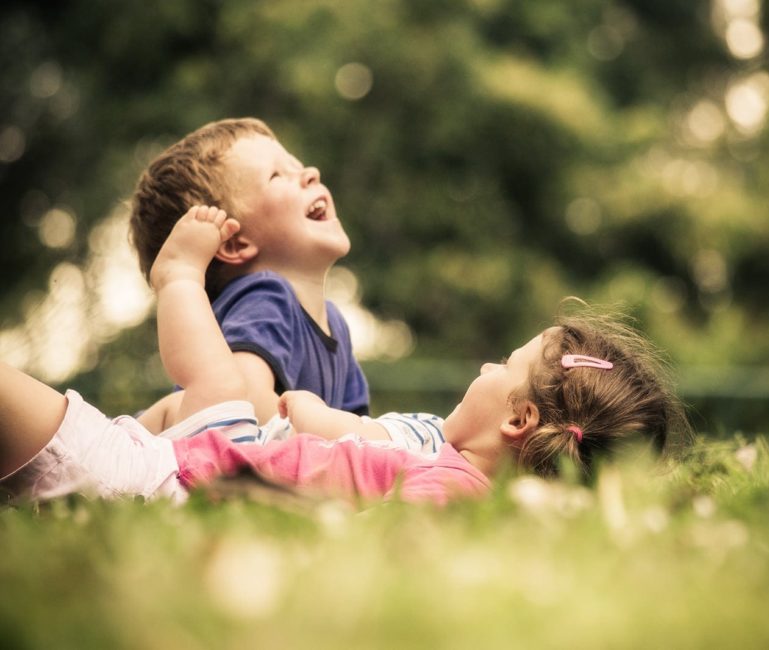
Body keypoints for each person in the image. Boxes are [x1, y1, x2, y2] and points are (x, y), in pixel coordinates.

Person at [0, 207, 691, 506]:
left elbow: (392, 532)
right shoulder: (438, 455)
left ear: (518, 419)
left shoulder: (450, 484)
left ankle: (177, 281)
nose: (482, 368)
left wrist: (305, 411)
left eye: (499, 366)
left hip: (164, 487)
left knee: (209, 387)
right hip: (190, 466)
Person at [130, 118, 369, 432]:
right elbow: (248, 406)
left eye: (296, 165)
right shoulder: (268, 297)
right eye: (276, 175)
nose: (311, 173)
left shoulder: (335, 322)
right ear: (234, 242)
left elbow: (357, 429)